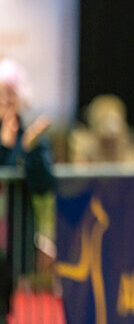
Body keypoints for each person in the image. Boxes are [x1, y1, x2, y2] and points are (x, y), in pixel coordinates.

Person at [0, 58, 55, 320]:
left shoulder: (30, 135)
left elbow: (44, 184)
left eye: (10, 94)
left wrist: (30, 149)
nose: (5, 101)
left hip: (11, 242)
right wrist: (5, 146)